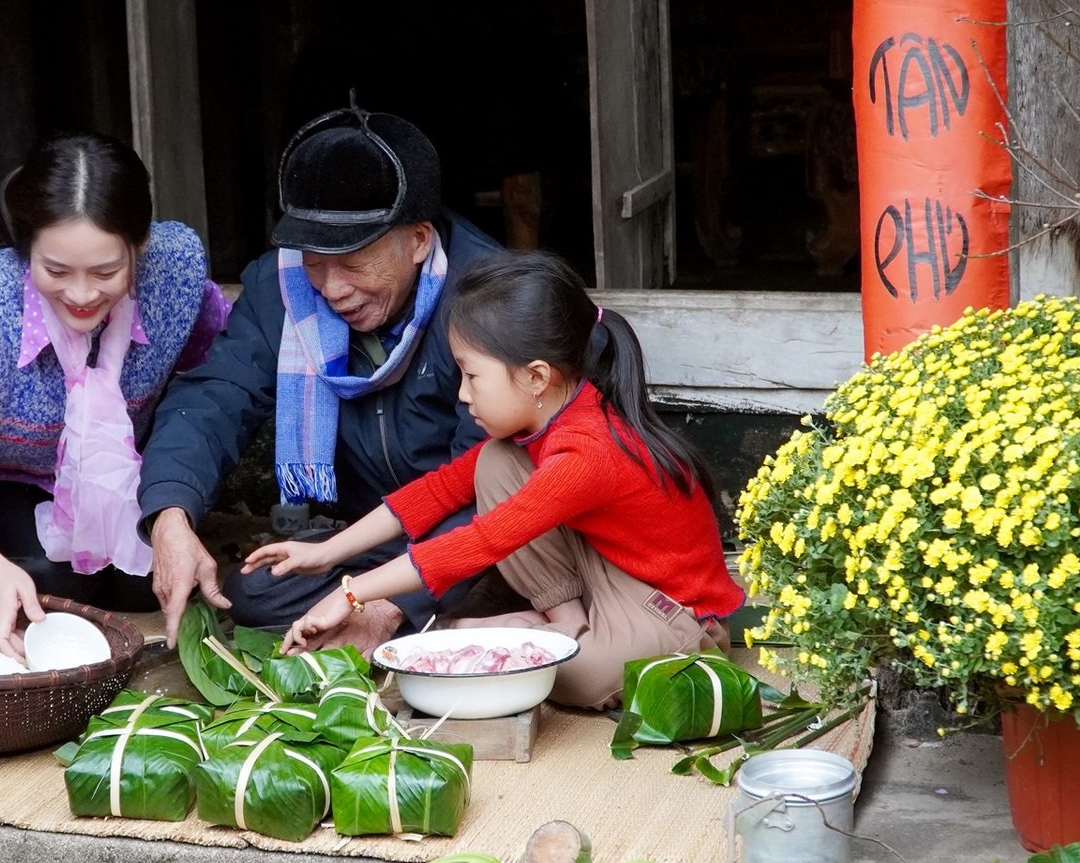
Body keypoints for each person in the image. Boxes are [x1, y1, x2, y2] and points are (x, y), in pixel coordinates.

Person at [242, 251, 742, 708]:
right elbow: (437, 491)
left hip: (672, 610)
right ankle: (563, 622)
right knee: (493, 463)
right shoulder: (546, 421)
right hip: (606, 570)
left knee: (573, 680)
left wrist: (351, 594)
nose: (462, 394)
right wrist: (326, 554)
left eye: (471, 375)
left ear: (537, 376)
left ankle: (490, 631)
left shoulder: (588, 452)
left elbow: (483, 541)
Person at [139, 102, 501, 655]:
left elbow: (500, 480)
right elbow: (217, 395)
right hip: (374, 536)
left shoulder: (489, 295)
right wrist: (169, 515)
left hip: (487, 531)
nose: (331, 290)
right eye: (313, 260)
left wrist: (388, 605)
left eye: (353, 264)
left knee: (502, 556)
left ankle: (439, 614)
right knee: (252, 596)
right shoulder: (280, 288)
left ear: (419, 240)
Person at [0, 131, 232, 657]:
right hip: (11, 480)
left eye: (106, 271)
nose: (80, 294)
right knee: (48, 585)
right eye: (55, 270)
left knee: (152, 581)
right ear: (25, 246)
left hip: (124, 473)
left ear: (139, 245)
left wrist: (176, 497)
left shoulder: (176, 270)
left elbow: (215, 377)